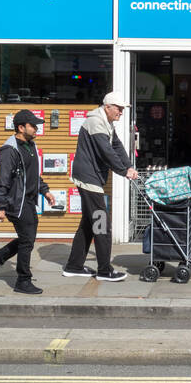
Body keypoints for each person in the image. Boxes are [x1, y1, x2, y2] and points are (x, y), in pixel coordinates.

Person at [63, 90, 138, 281]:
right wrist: (123, 171)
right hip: (88, 178)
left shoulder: (107, 123)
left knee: (89, 224)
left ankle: (73, 266)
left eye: (122, 109)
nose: (121, 112)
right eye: (119, 109)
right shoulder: (96, 122)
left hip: (92, 177)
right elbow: (106, 152)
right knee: (102, 223)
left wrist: (128, 166)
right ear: (108, 107)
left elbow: (117, 147)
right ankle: (105, 271)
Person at [0, 109, 57, 294]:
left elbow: (33, 175)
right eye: (33, 125)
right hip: (17, 202)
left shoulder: (31, 146)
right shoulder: (10, 150)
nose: (36, 129)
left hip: (29, 201)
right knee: (27, 241)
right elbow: (2, 179)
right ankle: (23, 280)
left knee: (27, 239)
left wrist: (45, 191)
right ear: (21, 127)